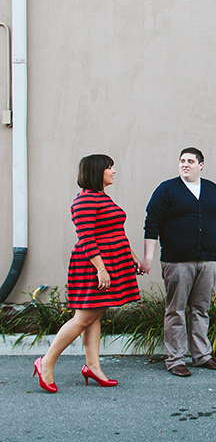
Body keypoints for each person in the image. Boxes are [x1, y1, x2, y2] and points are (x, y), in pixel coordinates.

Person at [33, 154, 141, 393]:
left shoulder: (101, 196)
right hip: (93, 265)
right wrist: (101, 268)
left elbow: (116, 231)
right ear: (96, 172)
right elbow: (86, 239)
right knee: (83, 318)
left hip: (112, 261)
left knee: (93, 317)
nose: (113, 171)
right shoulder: (84, 201)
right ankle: (46, 362)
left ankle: (92, 366)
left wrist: (131, 257)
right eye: (109, 168)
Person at [141, 147, 216, 377]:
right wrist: (148, 258)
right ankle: (176, 359)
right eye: (182, 161)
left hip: (208, 262)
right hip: (177, 262)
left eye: (190, 161)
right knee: (176, 310)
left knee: (201, 309)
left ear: (201, 165)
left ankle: (202, 356)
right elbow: (152, 223)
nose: (185, 164)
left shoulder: (212, 190)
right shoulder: (167, 190)